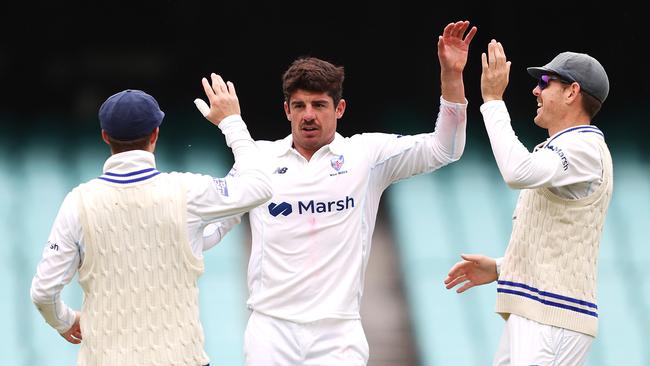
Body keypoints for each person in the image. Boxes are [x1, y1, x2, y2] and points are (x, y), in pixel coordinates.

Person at [194, 20, 476, 365]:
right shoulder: (259, 160)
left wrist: (452, 76)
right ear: (287, 111)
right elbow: (213, 230)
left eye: (319, 105)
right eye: (299, 106)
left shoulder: (366, 156)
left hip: (338, 332)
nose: (308, 116)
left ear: (339, 109)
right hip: (270, 329)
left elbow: (445, 148)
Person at [30, 75, 273, 366]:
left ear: (105, 136)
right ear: (155, 134)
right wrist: (232, 122)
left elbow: (44, 292)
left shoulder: (78, 202)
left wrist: (65, 321)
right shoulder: (187, 192)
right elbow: (259, 186)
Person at [444, 40, 613, 365]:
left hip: (551, 314)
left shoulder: (584, 147)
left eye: (546, 82)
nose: (536, 90)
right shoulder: (571, 148)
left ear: (571, 92)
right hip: (542, 310)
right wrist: (502, 268)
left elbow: (516, 172)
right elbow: (557, 240)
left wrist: (493, 101)